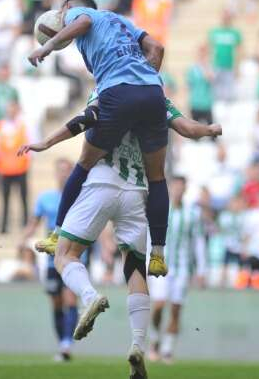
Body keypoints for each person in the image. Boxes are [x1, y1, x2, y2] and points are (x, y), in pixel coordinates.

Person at [18, 92, 220, 376]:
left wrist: (46, 142)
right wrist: (211, 129)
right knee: (135, 267)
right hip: (137, 191)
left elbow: (83, 120)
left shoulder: (109, 87)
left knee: (64, 254)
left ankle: (89, 297)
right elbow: (188, 128)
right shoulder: (157, 100)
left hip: (102, 182)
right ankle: (138, 345)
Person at [27, 0, 171, 276]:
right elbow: (158, 48)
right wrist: (142, 82)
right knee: (157, 176)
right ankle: (158, 253)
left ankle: (57, 233)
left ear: (68, 8)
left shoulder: (79, 14)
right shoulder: (122, 21)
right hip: (153, 92)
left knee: (83, 162)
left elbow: (81, 23)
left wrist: (49, 46)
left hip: (117, 94)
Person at [20, 158, 78, 361]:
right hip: (52, 258)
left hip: (75, 256)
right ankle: (62, 342)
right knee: (56, 302)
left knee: (70, 298)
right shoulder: (45, 198)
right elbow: (34, 222)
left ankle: (66, 344)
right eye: (60, 170)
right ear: (56, 174)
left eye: (68, 170)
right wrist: (24, 238)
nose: (64, 174)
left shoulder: (80, 197)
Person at [148, 176, 207, 364]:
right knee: (158, 305)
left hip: (183, 267)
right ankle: (155, 338)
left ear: (185, 189)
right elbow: (149, 237)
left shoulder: (193, 214)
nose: (178, 190)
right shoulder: (159, 209)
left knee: (175, 309)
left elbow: (198, 242)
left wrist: (201, 269)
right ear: (170, 188)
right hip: (160, 265)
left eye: (181, 187)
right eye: (175, 186)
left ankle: (167, 349)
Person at [0, 101, 34, 233]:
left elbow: (29, 143)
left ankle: (25, 223)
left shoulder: (23, 126)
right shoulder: (0, 126)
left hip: (21, 167)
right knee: (5, 198)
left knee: (23, 197)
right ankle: (4, 225)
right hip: (5, 168)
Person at [208, 9, 242, 102]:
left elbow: (239, 51)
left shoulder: (235, 33)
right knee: (216, 94)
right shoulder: (214, 32)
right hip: (217, 66)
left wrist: (237, 67)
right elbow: (210, 50)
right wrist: (209, 68)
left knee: (228, 95)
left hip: (229, 67)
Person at [186, 45, 214, 125]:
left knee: (212, 134)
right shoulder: (192, 69)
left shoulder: (209, 67)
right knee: (195, 134)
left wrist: (205, 66)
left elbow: (210, 79)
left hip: (206, 104)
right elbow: (188, 87)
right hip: (195, 104)